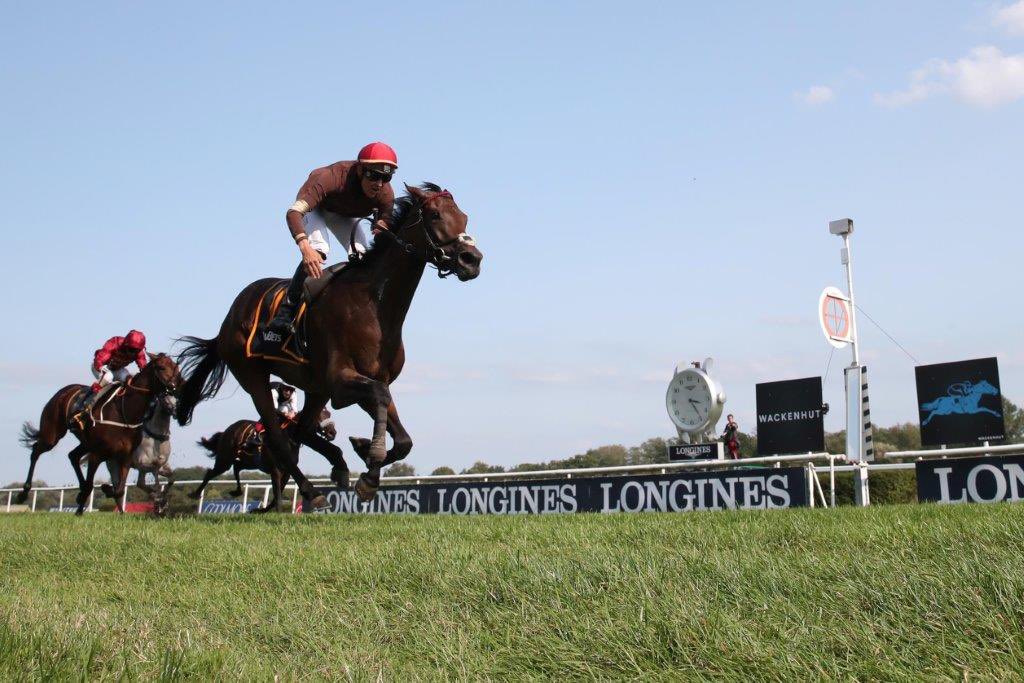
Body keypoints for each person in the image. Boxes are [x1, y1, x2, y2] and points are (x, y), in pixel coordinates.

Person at [266, 142, 399, 335]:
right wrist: (305, 248)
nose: (378, 184)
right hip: (317, 209)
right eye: (373, 175)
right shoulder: (330, 178)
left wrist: (382, 229)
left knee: (363, 258)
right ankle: (285, 312)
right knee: (319, 249)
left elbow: (383, 227)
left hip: (343, 215)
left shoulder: (386, 194)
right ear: (360, 170)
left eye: (385, 177)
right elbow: (293, 213)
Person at [73, 330, 148, 426]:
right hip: (102, 366)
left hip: (118, 369)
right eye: (131, 349)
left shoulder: (139, 351)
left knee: (131, 379)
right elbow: (99, 360)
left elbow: (143, 366)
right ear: (126, 344)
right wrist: (101, 368)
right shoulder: (115, 342)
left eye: (136, 350)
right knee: (108, 377)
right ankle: (85, 406)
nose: (132, 353)